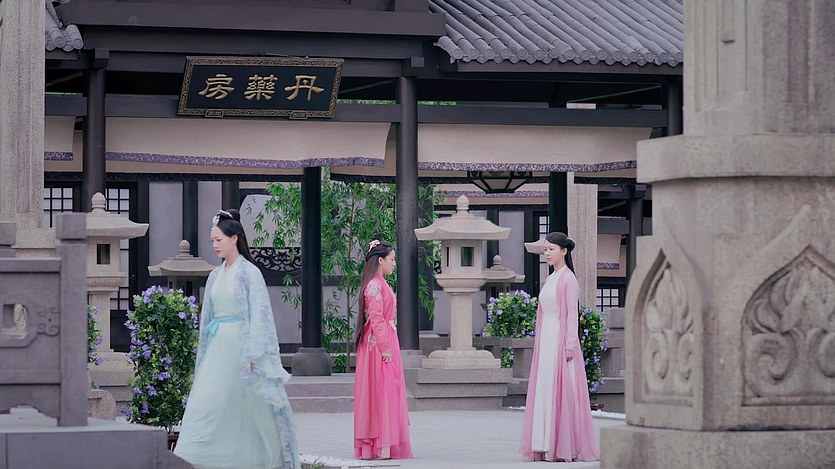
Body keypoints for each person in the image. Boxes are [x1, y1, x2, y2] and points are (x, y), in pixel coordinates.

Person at [174, 209, 300, 469]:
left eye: (219, 240)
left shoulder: (249, 272)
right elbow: (208, 317)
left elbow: (260, 315)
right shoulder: (215, 275)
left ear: (234, 238)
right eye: (212, 241)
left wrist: (254, 353)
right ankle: (199, 459)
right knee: (209, 401)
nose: (215, 245)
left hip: (241, 345)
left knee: (246, 403)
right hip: (217, 346)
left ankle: (251, 459)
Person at [520, 232, 599, 462]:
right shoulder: (551, 278)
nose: (547, 253)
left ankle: (562, 445)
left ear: (564, 251)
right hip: (546, 338)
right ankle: (544, 443)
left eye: (551, 249)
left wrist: (570, 346)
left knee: (561, 389)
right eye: (545, 249)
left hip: (560, 338)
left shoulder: (568, 279)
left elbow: (572, 315)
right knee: (545, 387)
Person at [353, 239, 413, 460]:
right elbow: (376, 318)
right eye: (392, 259)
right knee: (381, 390)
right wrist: (385, 347)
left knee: (386, 390)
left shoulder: (380, 283)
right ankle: (380, 445)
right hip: (378, 345)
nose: (394, 264)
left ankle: (384, 445)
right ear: (380, 260)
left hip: (384, 339)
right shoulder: (374, 285)